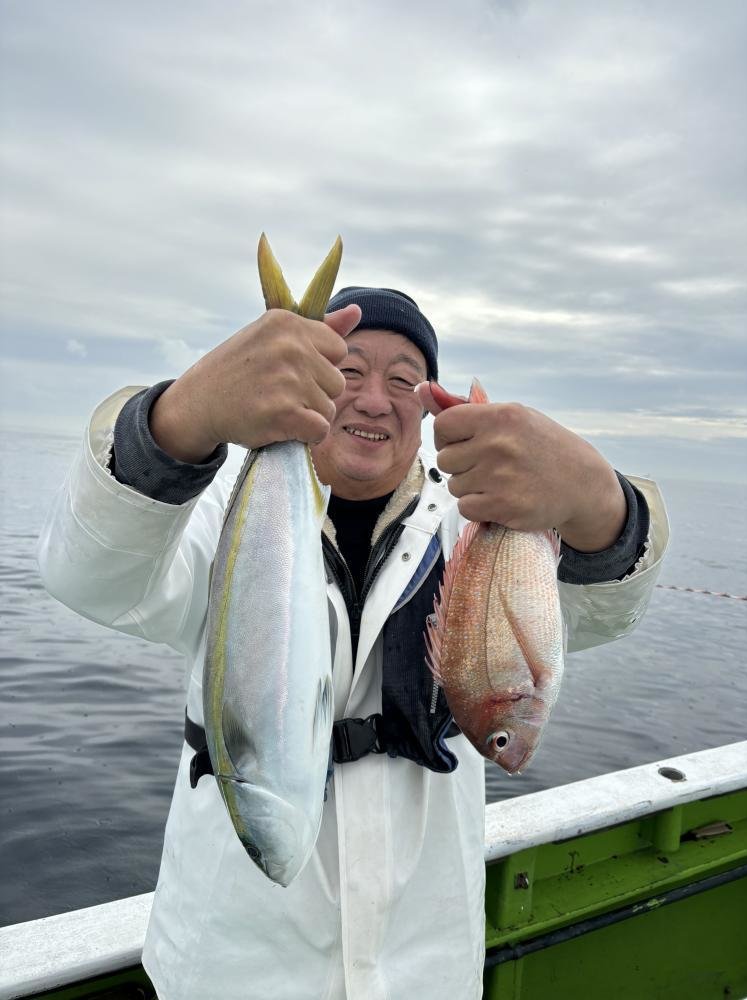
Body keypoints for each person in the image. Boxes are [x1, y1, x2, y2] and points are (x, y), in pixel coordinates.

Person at [38, 285, 669, 1000]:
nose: (374, 400)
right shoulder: (215, 517)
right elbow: (90, 577)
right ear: (305, 378)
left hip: (426, 972)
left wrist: (597, 499)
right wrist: (177, 422)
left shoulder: (476, 526)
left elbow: (605, 611)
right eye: (346, 371)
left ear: (428, 406)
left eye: (404, 380)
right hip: (232, 971)